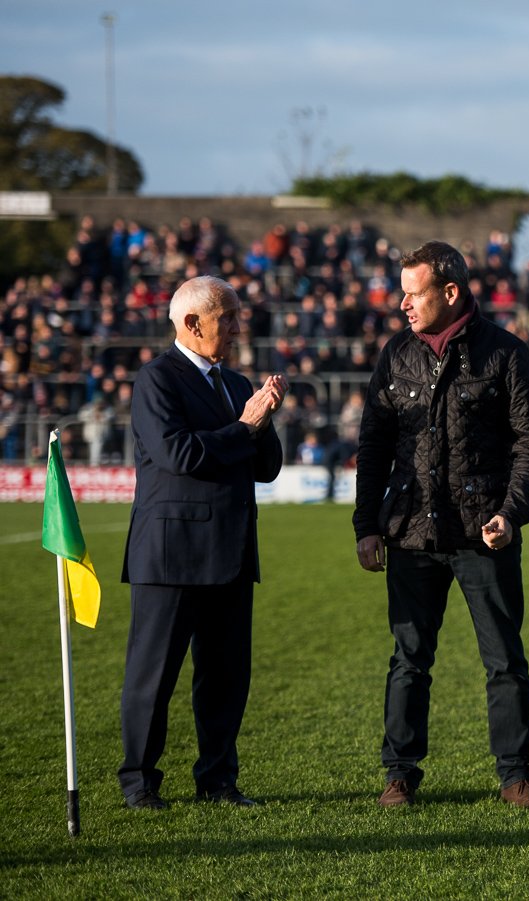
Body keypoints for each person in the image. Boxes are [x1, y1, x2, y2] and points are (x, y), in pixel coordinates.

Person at [353, 241, 529, 809]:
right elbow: (374, 446)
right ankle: (400, 775)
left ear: (449, 292)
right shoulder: (395, 354)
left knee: (504, 660)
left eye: (413, 293)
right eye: (401, 293)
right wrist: (367, 525)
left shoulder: (507, 354)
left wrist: (510, 514)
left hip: (483, 534)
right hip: (411, 532)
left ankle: (516, 776)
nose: (403, 304)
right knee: (408, 659)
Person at [118, 275, 288, 810]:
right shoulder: (156, 380)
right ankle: (139, 783)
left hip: (231, 552)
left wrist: (262, 422)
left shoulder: (238, 385)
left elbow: (268, 468)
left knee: (226, 678)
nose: (238, 329)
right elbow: (179, 456)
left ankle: (218, 781)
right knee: (154, 677)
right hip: (170, 555)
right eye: (228, 319)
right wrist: (244, 427)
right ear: (192, 324)